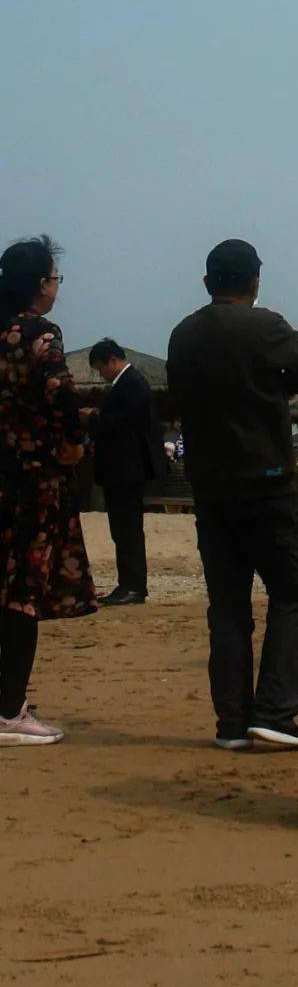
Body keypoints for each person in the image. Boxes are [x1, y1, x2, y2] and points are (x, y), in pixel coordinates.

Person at [167, 240, 298, 751]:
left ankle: (232, 721)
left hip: (210, 485)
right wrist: (276, 385)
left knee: (228, 604)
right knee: (295, 590)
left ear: (207, 282)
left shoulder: (183, 334)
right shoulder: (265, 326)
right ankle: (276, 711)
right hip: (265, 480)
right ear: (256, 282)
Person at [0, 236, 96, 746]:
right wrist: (74, 441)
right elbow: (60, 390)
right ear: (41, 284)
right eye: (55, 278)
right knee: (23, 592)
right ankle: (10, 708)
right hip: (35, 477)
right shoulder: (38, 332)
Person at [87, 339, 168, 606]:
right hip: (124, 470)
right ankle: (129, 584)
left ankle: (132, 586)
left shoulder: (131, 383)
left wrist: (95, 418)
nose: (101, 374)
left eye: (100, 368)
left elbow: (126, 425)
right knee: (123, 530)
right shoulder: (130, 383)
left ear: (111, 360)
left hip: (126, 470)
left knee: (127, 530)